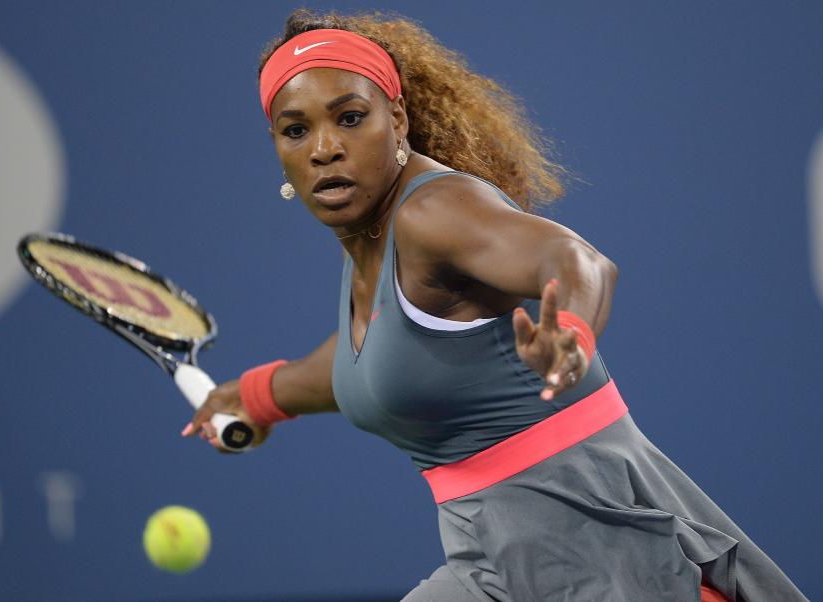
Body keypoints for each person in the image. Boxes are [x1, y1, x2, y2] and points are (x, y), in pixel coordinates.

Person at [185, 10, 808, 601]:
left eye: (349, 118)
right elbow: (373, 357)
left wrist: (570, 332)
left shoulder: (433, 212)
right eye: (297, 130)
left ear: (396, 120)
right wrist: (263, 394)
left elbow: (578, 261)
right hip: (491, 564)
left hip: (606, 556)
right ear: (278, 147)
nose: (324, 148)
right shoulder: (370, 243)